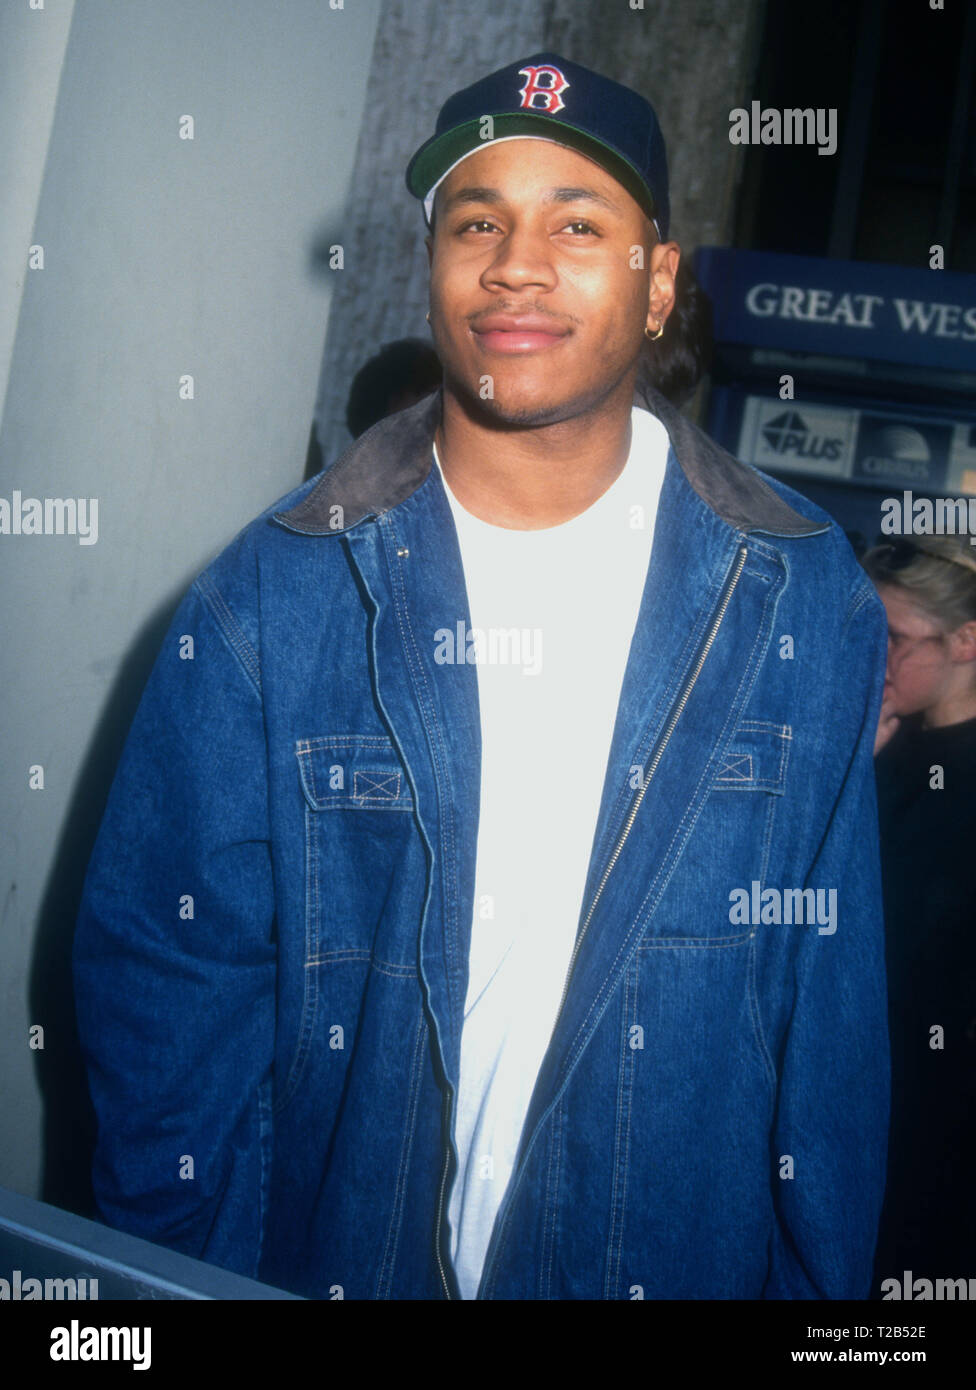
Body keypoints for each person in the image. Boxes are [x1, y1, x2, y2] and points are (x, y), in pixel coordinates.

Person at [73, 52, 890, 1300]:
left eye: (576, 221)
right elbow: (170, 993)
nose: (517, 261)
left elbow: (825, 1021)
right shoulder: (276, 594)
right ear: (430, 267)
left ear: (658, 281)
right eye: (476, 223)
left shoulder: (795, 591)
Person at [862, 536, 976, 1282]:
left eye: (896, 641)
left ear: (967, 640)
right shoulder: (885, 746)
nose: (877, 661)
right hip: (864, 1101)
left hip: (942, 1131)